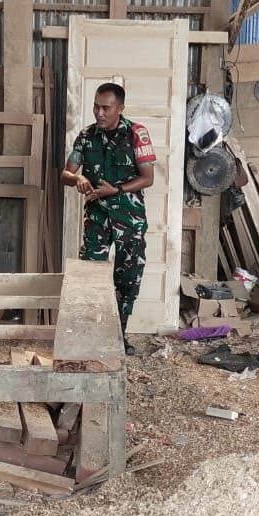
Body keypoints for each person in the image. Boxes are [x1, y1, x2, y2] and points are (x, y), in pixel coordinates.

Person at [60, 82, 155, 355]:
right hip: (98, 219)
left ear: (120, 108)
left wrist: (117, 190)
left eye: (106, 108)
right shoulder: (86, 136)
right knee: (90, 281)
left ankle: (118, 338)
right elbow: (66, 174)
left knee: (128, 282)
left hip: (130, 220)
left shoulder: (137, 134)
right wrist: (77, 178)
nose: (99, 113)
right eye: (96, 106)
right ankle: (91, 340)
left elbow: (147, 178)